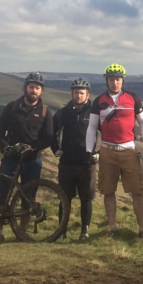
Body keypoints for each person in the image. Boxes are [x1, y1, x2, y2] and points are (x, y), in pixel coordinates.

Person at [85, 63, 143, 237]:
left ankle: (142, 228)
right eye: (111, 79)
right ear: (106, 81)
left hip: (129, 150)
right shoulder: (99, 101)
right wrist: (89, 150)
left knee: (137, 190)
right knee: (108, 190)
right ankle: (112, 227)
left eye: (117, 79)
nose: (114, 83)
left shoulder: (133, 98)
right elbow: (92, 128)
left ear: (122, 80)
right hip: (107, 150)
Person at [0, 72, 56, 240]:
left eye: (37, 88)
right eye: (31, 87)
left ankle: (22, 231)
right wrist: (6, 148)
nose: (33, 90)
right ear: (25, 88)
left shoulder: (45, 111)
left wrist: (33, 147)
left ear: (41, 90)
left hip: (32, 160)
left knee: (28, 198)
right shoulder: (12, 107)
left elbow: (48, 137)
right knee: (0, 194)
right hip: (10, 158)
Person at [54, 77, 98, 240]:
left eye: (82, 93)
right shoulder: (62, 112)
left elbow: (104, 133)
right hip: (67, 163)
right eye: (76, 93)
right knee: (64, 198)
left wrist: (98, 151)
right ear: (71, 94)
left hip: (87, 163)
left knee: (86, 198)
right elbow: (52, 132)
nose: (79, 95)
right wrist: (55, 149)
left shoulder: (95, 112)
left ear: (87, 95)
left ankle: (84, 231)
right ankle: (61, 231)